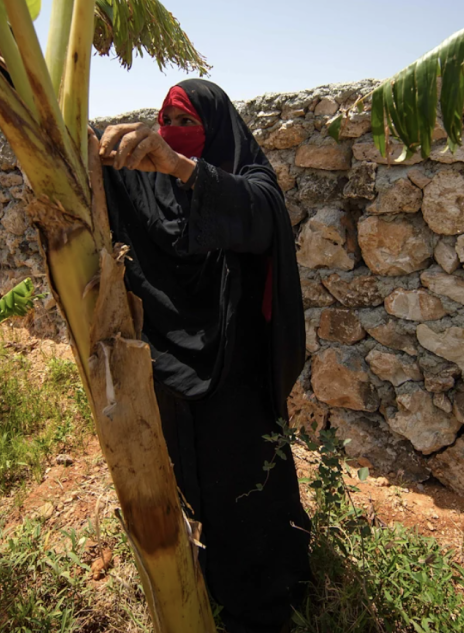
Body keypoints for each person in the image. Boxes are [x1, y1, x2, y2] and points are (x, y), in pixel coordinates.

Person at [95, 79, 311, 632]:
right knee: (196, 477)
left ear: (215, 126)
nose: (174, 132)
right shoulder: (146, 178)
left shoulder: (243, 171)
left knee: (250, 487)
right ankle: (211, 580)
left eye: (187, 121)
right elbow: (87, 159)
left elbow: (260, 212)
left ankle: (273, 597)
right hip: (175, 367)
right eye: (166, 120)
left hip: (236, 369)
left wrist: (181, 167)